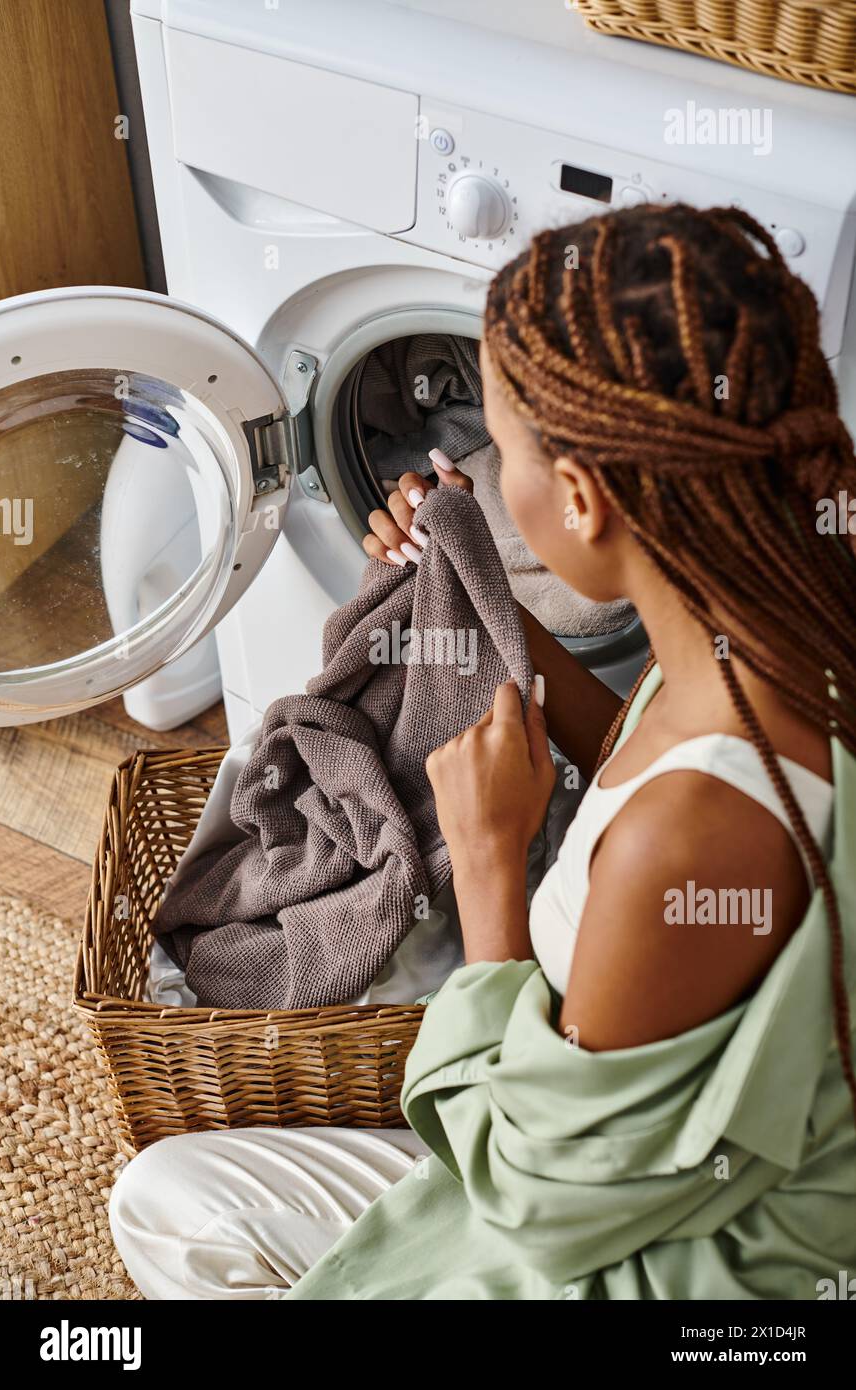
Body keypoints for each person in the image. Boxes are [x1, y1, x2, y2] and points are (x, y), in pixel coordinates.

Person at [110, 204, 856, 1300]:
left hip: (671, 1264)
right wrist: (489, 615)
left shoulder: (684, 847)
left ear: (580, 499)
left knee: (165, 1204)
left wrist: (491, 854)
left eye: (500, 447)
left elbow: (535, 1203)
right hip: (693, 1150)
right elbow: (662, 751)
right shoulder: (780, 617)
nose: (476, 465)